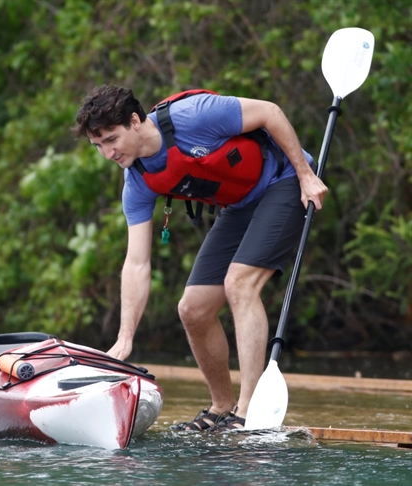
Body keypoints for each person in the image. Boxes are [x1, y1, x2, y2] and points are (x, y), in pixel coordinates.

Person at [71, 85, 327, 431]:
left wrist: (306, 175)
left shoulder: (195, 115)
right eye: (98, 145)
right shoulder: (137, 181)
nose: (107, 153)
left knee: (240, 283)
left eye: (111, 139)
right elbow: (136, 263)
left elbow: (270, 111)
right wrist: (125, 336)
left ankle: (248, 411)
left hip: (283, 182)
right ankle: (222, 405)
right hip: (239, 205)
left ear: (134, 121)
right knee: (192, 309)